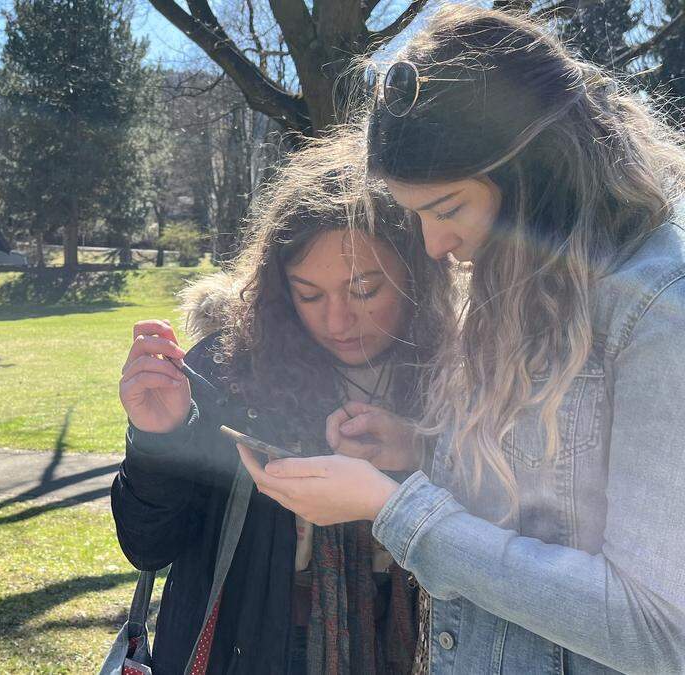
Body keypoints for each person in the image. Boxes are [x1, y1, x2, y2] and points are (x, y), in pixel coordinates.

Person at [235, 6, 685, 673]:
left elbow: (659, 628)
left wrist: (394, 508)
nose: (433, 246)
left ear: (538, 172)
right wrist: (422, 448)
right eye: (417, 216)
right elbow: (551, 501)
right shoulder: (530, 280)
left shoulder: (659, 314)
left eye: (447, 210)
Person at [113, 135, 453, 674]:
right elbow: (148, 547)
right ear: (277, 285)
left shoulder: (469, 369)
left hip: (425, 646)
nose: (337, 322)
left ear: (418, 273)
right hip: (256, 652)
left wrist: (422, 450)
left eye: (364, 290)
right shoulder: (229, 368)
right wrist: (160, 439)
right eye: (308, 294)